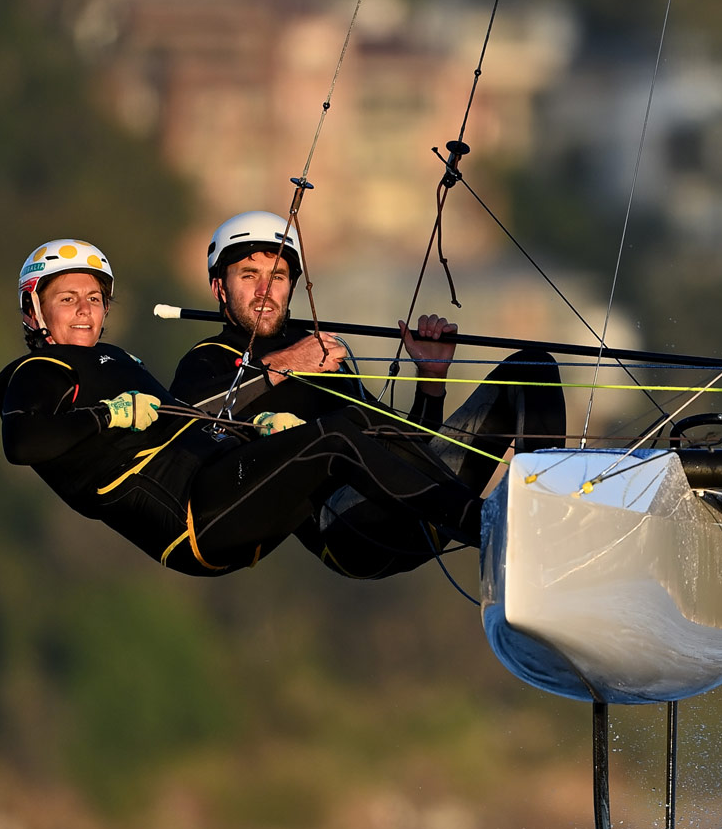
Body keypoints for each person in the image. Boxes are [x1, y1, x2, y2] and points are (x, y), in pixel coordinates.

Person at [0, 240, 491, 575]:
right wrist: (108, 416)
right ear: (33, 310)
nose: (85, 309)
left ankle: (492, 515)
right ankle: (484, 524)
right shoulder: (35, 370)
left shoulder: (119, 360)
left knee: (350, 425)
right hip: (192, 518)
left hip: (221, 490)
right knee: (338, 433)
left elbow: (195, 429)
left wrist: (259, 431)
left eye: (94, 297)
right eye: (66, 298)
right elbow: (21, 442)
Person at [171, 211, 566, 578]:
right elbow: (184, 419)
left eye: (277, 276)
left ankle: (545, 520)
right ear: (219, 288)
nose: (264, 290)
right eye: (248, 275)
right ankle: (508, 533)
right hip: (348, 529)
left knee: (534, 367)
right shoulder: (210, 359)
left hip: (424, 505)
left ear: (291, 285)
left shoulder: (321, 354)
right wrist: (283, 366)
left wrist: (430, 380)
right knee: (342, 431)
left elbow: (403, 447)